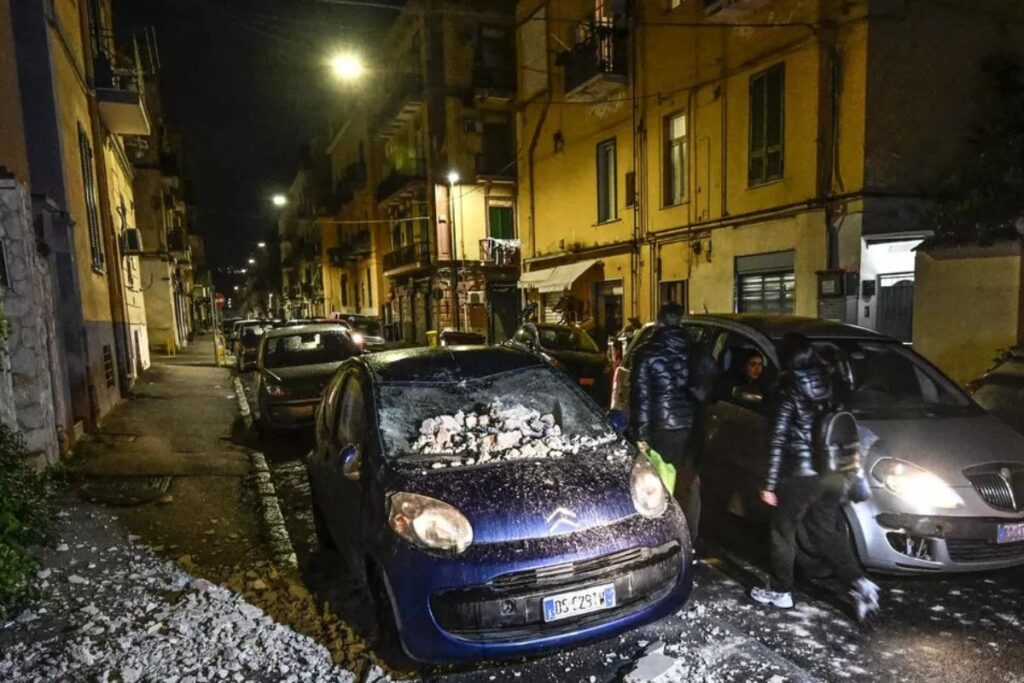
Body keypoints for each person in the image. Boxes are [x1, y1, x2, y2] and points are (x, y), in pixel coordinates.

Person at [750, 332, 880, 621]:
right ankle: (861, 583)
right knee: (825, 531)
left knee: (782, 530)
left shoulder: (789, 392)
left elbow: (778, 440)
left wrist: (769, 484)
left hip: (801, 473)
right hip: (833, 469)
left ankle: (781, 590)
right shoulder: (829, 383)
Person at [630, 302, 700, 540]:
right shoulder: (695, 349)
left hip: (661, 429)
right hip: (691, 426)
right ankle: (689, 538)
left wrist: (640, 434)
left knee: (658, 483)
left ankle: (663, 535)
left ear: (659, 322)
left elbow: (641, 396)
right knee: (688, 485)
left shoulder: (647, 352)